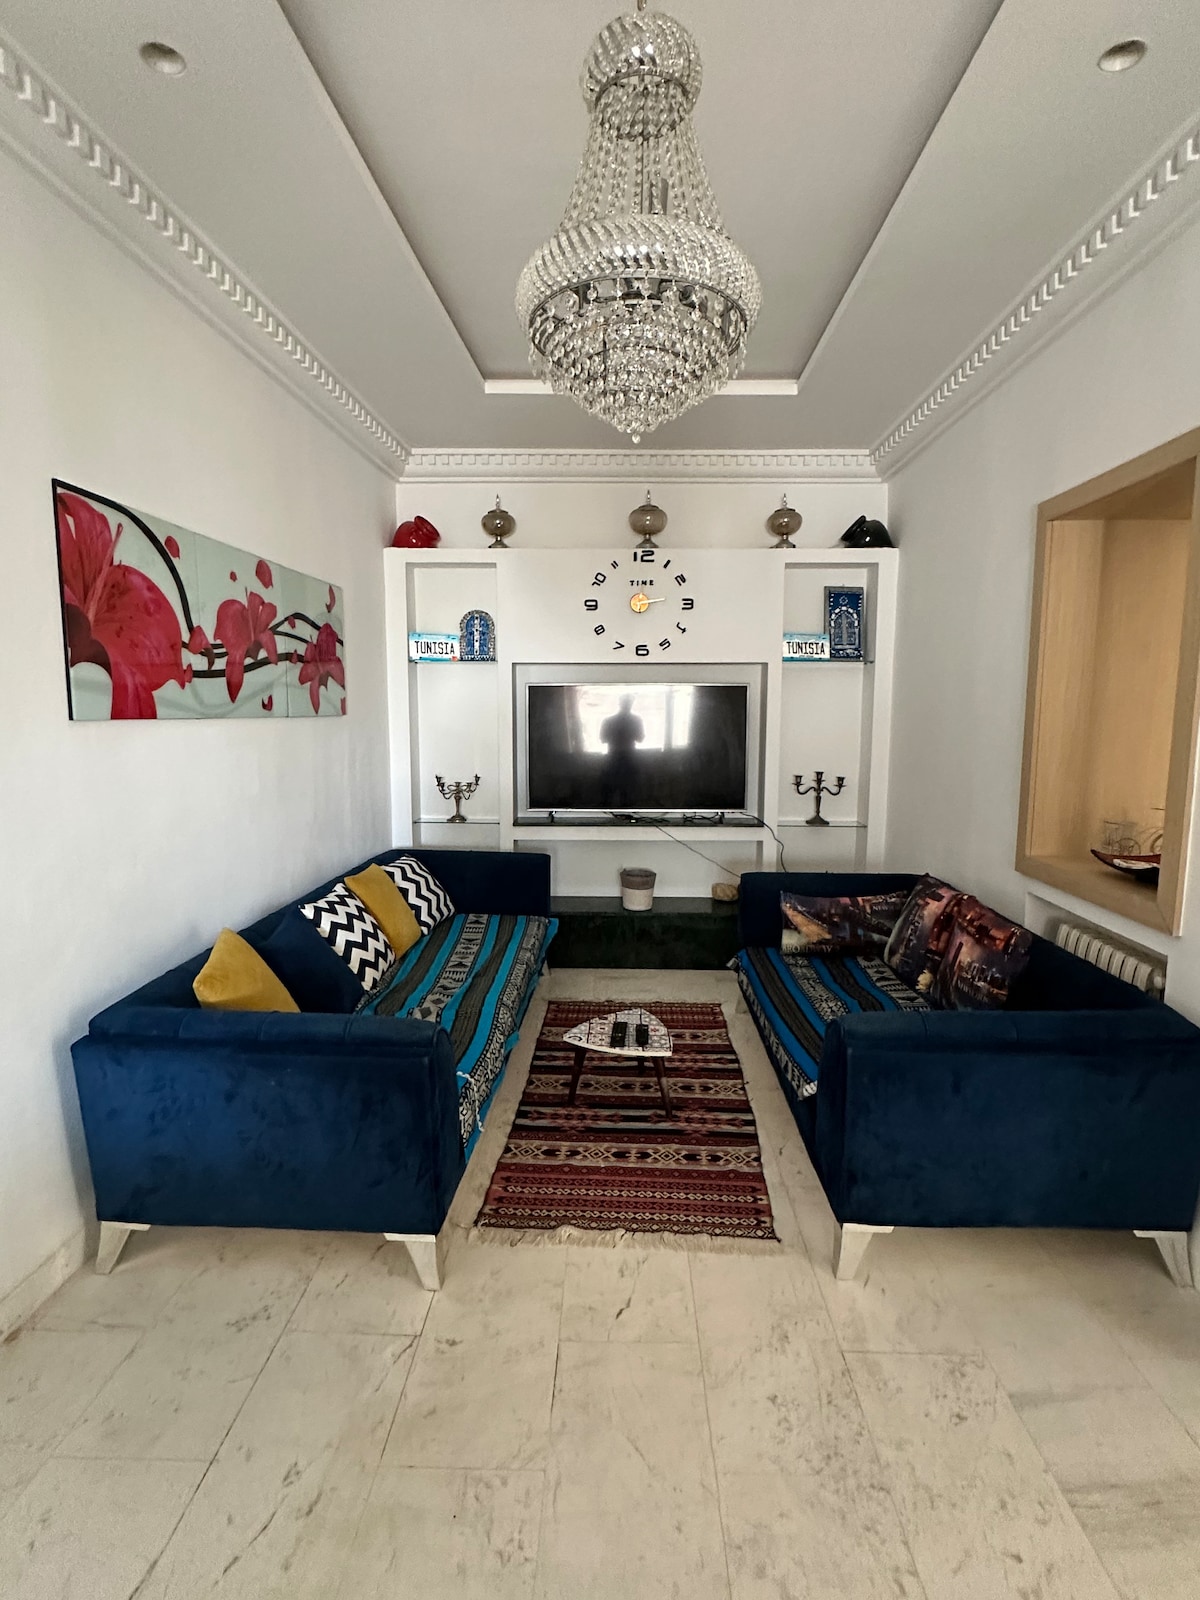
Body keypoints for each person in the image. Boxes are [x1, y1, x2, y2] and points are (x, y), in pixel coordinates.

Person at [598, 693, 644, 807]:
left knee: (618, 792)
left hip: (618, 758)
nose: (627, 705)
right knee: (622, 792)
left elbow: (603, 739)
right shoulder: (636, 720)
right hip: (624, 758)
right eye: (627, 702)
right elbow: (640, 738)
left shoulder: (609, 721)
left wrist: (617, 735)